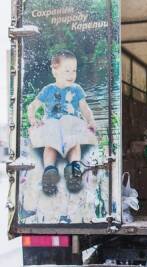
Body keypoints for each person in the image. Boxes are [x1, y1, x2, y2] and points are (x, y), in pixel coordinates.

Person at [27, 50, 97, 196]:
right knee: (50, 146)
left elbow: (85, 109)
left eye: (74, 70)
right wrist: (33, 119)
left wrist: (90, 121)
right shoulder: (48, 90)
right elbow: (32, 106)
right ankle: (50, 170)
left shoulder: (77, 89)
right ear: (55, 71)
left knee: (74, 144)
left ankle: (73, 168)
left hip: (70, 124)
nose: (71, 74)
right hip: (52, 124)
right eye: (67, 71)